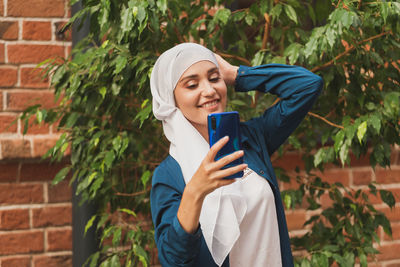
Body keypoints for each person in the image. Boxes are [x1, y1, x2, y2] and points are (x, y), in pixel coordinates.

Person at [150, 43, 323, 267]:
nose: (209, 90)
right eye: (192, 85)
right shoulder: (168, 174)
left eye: (214, 78)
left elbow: (308, 85)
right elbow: (173, 261)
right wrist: (195, 191)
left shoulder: (251, 140)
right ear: (171, 99)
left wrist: (236, 74)